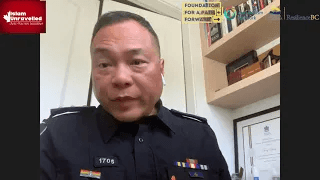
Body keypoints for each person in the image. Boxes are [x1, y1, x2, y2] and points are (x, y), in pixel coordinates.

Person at [40, 11, 231, 180]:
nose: (121, 78)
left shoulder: (200, 136)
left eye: (137, 61)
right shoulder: (55, 135)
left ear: (161, 69)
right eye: (104, 64)